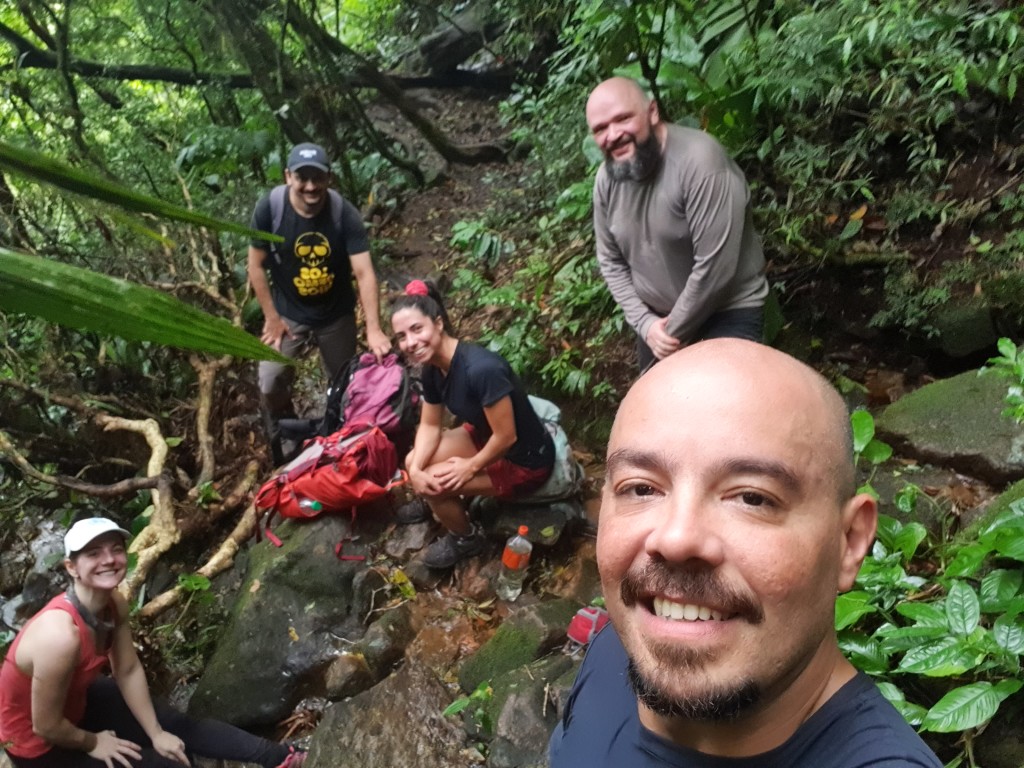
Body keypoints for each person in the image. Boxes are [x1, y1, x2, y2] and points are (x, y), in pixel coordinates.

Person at [548, 339, 944, 767]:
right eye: (641, 488)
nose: (677, 538)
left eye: (753, 498)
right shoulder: (618, 647)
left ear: (849, 543)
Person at [0, 517, 306, 768]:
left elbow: (128, 669)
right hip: (37, 744)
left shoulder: (114, 603)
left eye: (115, 549)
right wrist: (93, 742)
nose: (108, 560)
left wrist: (157, 732)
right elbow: (46, 726)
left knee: (177, 728)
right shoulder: (59, 636)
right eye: (93, 553)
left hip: (77, 700)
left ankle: (282, 758)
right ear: (71, 567)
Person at [585, 77, 770, 370]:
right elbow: (610, 261)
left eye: (622, 118)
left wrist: (671, 333)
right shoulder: (606, 180)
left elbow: (715, 269)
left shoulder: (700, 161)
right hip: (656, 323)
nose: (613, 134)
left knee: (725, 412)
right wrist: (647, 325)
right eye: (600, 129)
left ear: (653, 112)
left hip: (725, 312)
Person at [389, 280, 554, 569]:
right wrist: (414, 471)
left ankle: (466, 538)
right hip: (483, 437)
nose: (410, 343)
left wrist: (470, 467)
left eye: (417, 329)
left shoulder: (481, 370)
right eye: (401, 336)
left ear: (438, 323)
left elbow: (507, 437)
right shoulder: (433, 368)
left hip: (525, 460)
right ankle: (433, 499)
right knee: (413, 460)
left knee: (435, 486)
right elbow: (429, 425)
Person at [248, 142, 391, 461]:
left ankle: (338, 436)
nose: (310, 186)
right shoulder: (271, 209)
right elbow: (256, 265)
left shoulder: (344, 214)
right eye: (302, 177)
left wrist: (374, 328)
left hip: (335, 313)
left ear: (329, 178)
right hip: (288, 312)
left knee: (344, 382)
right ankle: (284, 431)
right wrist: (271, 317)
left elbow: (365, 273)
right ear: (288, 177)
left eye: (318, 177)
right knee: (270, 380)